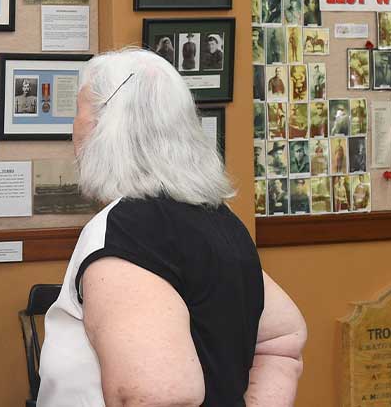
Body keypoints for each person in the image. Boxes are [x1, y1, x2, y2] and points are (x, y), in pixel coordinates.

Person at [38, 49, 307, 406]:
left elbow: (157, 396)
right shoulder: (221, 220)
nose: (73, 126)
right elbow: (281, 342)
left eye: (78, 110)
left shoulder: (124, 230)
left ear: (103, 127)